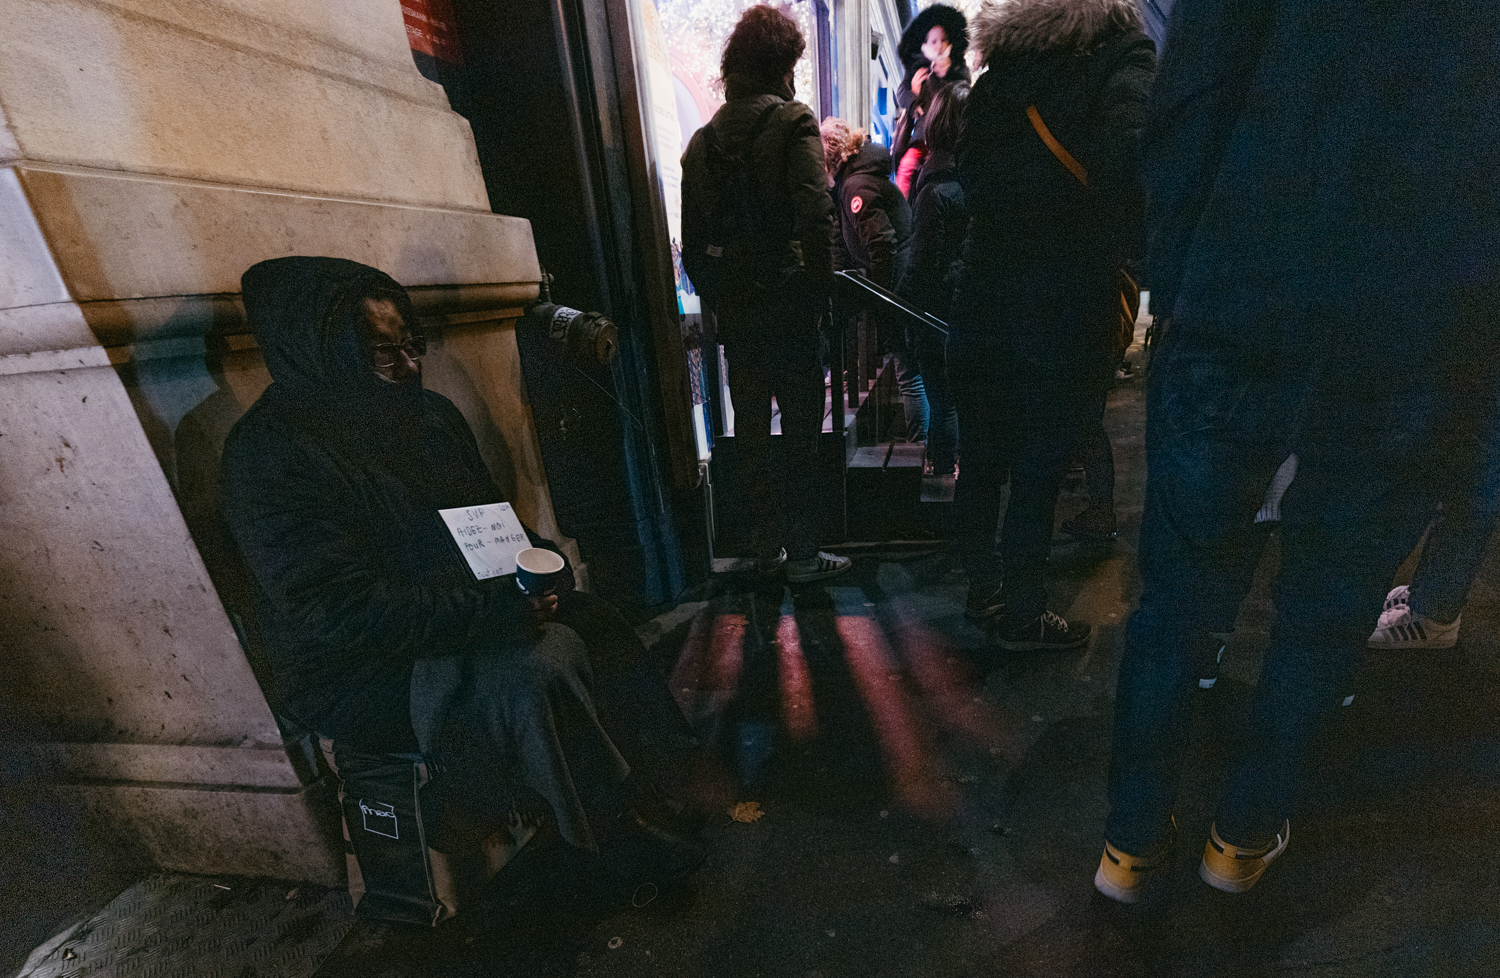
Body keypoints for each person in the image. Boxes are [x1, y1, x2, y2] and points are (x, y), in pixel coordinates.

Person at [1096, 0, 1500, 903]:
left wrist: (1188, 280)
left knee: (1179, 590)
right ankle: (1240, 835)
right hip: (1416, 318)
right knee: (1326, 606)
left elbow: (1191, 106)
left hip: (1245, 281)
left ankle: (1130, 838)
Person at [222, 256, 704, 891]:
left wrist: (542, 568)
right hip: (360, 666)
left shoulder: (423, 416)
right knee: (539, 663)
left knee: (592, 619)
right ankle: (610, 843)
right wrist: (494, 612)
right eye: (381, 353)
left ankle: (659, 781)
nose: (410, 367)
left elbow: (488, 522)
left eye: (409, 345)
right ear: (320, 353)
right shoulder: (270, 453)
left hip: (455, 612)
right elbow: (336, 614)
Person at [950, 0, 1154, 648]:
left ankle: (983, 592)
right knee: (1040, 468)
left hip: (985, 288)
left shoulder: (1000, 68)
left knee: (979, 458)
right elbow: (1129, 164)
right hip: (1067, 296)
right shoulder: (1121, 54)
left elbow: (970, 173)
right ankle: (1026, 609)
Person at [680, 4, 851, 585]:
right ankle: (804, 554)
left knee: (749, 430)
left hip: (741, 316)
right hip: (791, 306)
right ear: (780, 66)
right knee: (803, 430)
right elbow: (816, 214)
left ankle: (762, 550)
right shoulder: (794, 121)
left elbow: (693, 246)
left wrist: (725, 295)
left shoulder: (701, 143)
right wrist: (820, 294)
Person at [822, 117, 924, 444]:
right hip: (905, 282)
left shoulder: (856, 186)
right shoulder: (857, 181)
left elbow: (882, 245)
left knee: (910, 373)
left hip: (899, 289)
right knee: (913, 370)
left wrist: (882, 301)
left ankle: (924, 449)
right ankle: (930, 448)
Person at [897, 81, 969, 478]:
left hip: (937, 312)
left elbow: (921, 260)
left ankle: (942, 477)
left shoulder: (935, 187)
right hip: (966, 309)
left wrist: (904, 308)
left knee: (943, 401)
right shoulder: (976, 177)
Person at [892, 4, 971, 199]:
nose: (939, 45)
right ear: (925, 45)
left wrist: (943, 75)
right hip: (921, 136)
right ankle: (903, 201)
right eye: (934, 41)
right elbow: (902, 90)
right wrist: (914, 100)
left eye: (944, 40)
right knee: (907, 167)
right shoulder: (917, 69)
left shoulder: (958, 70)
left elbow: (960, 94)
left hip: (947, 137)